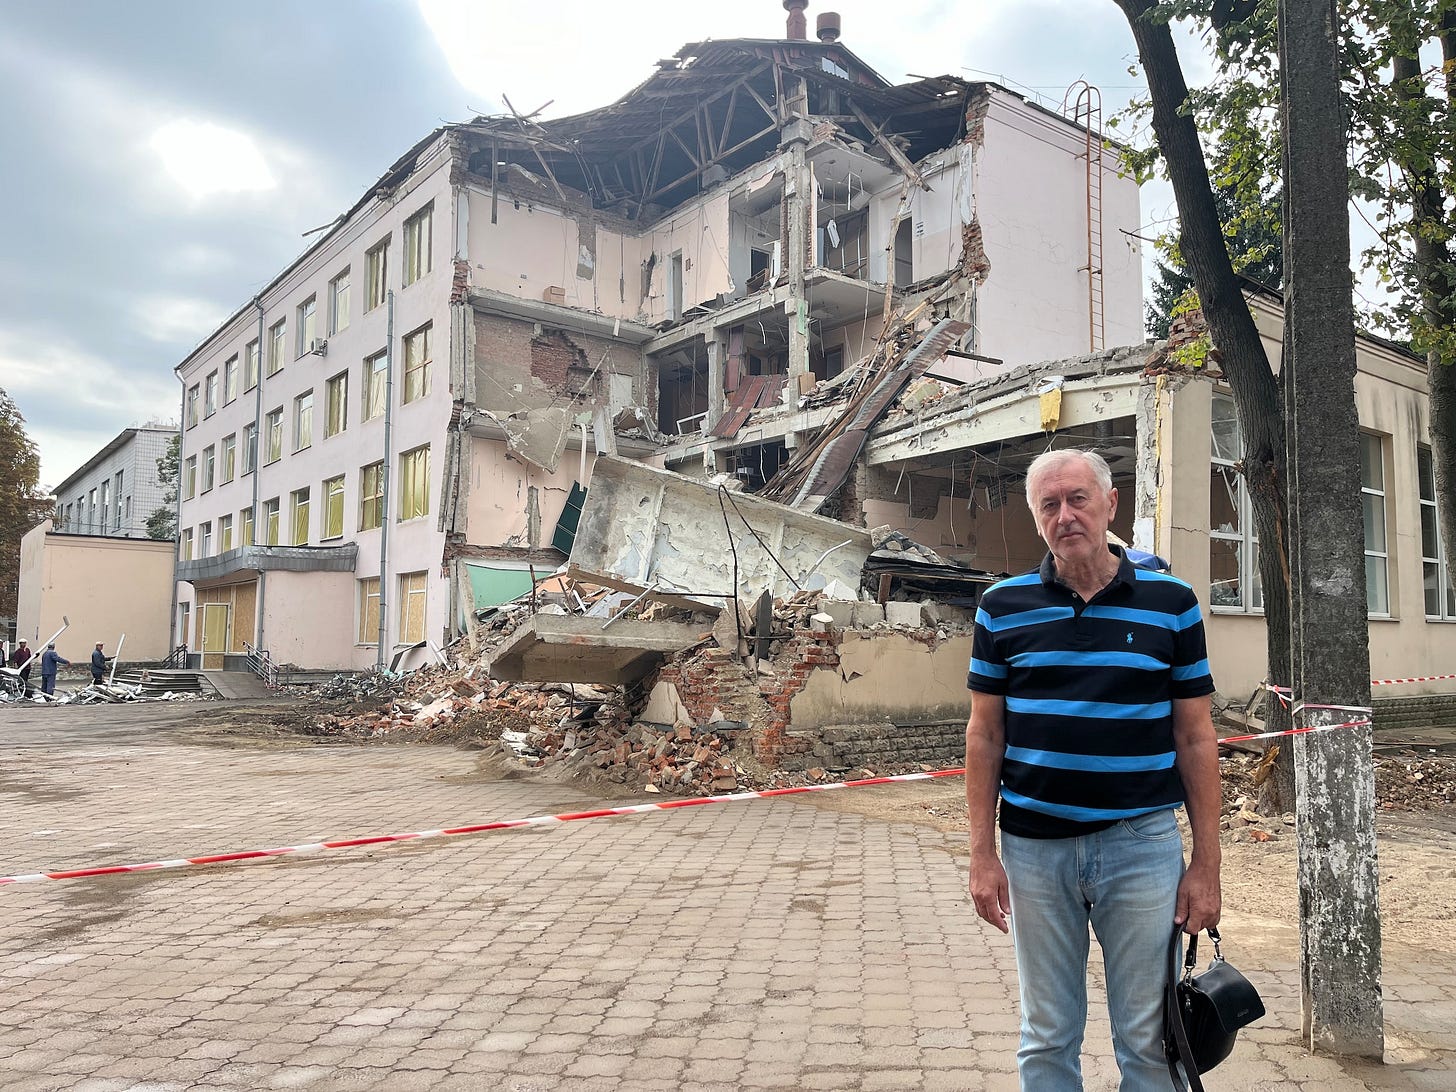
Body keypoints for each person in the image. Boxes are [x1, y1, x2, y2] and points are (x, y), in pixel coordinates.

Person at [965, 448, 1222, 1091]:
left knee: (1148, 1039)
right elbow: (985, 733)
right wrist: (980, 854)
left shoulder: (1172, 603)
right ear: (1035, 518)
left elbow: (1195, 737)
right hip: (1032, 851)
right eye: (1049, 505)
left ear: (1111, 505)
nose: (1066, 515)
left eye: (1079, 498)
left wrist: (1206, 865)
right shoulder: (1002, 607)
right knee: (1047, 1036)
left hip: (1142, 847)